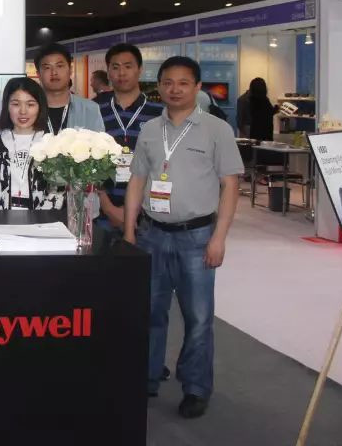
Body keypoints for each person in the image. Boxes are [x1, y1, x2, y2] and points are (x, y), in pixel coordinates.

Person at [123, 56, 242, 419]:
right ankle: (147, 377)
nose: (174, 90)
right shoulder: (149, 129)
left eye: (183, 83)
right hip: (152, 234)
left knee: (199, 317)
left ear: (197, 87)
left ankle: (195, 387)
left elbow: (230, 185)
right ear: (158, 86)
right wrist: (129, 231)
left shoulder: (216, 130)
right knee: (149, 312)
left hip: (197, 236)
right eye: (168, 83)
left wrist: (219, 238)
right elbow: (137, 181)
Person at [95, 44, 164, 233]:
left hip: (147, 214)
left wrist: (134, 209)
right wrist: (109, 209)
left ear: (140, 70)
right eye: (115, 67)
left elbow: (161, 165)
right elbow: (87, 163)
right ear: (108, 72)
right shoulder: (95, 109)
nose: (121, 73)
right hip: (102, 214)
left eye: (128, 66)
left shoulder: (159, 113)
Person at [0, 77, 63, 212]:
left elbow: (57, 193)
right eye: (16, 104)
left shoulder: (52, 147)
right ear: (7, 107)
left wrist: (37, 222)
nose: (23, 111)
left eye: (30, 104)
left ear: (40, 107)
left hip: (43, 223)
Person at [33, 43, 103, 134]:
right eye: (47, 68)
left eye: (59, 66)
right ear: (38, 74)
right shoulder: (28, 111)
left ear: (70, 70)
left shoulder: (90, 109)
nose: (54, 72)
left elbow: (100, 142)